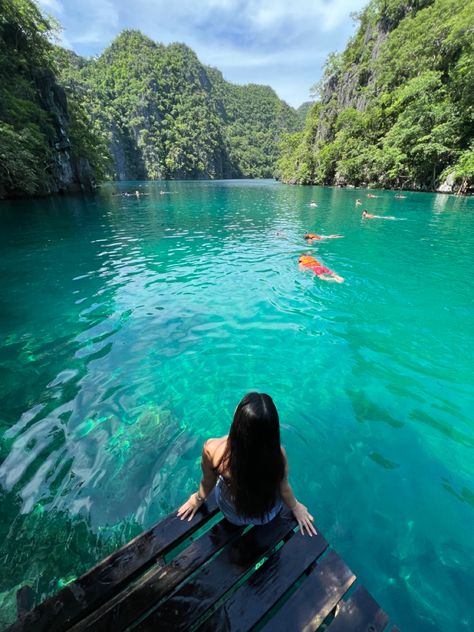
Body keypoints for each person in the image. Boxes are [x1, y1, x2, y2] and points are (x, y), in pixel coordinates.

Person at [177, 392, 317, 536]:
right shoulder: (278, 455)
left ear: (238, 422)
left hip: (234, 514)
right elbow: (284, 488)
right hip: (266, 515)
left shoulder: (212, 448)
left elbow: (208, 481)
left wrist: (197, 499)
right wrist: (295, 507)